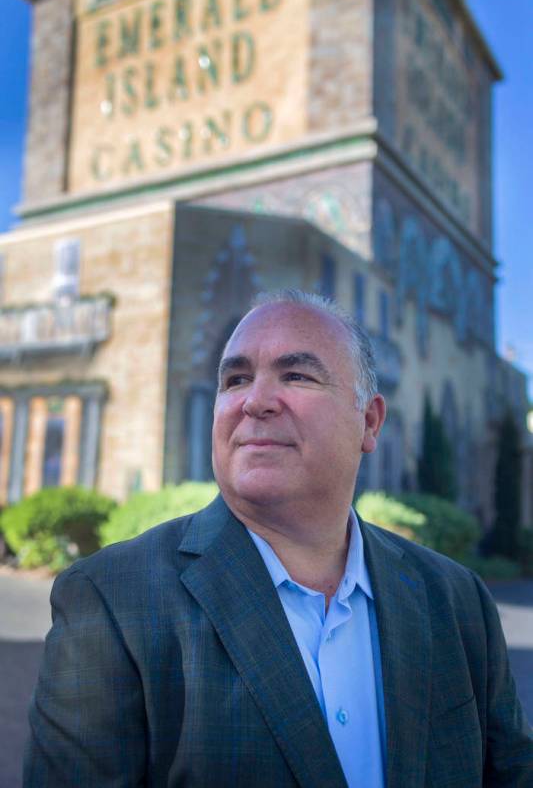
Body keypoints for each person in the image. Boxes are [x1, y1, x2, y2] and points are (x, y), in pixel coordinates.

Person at [24, 290, 532, 787]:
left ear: (370, 421)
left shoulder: (457, 599)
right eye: (236, 379)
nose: (255, 401)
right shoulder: (112, 601)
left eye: (296, 375)